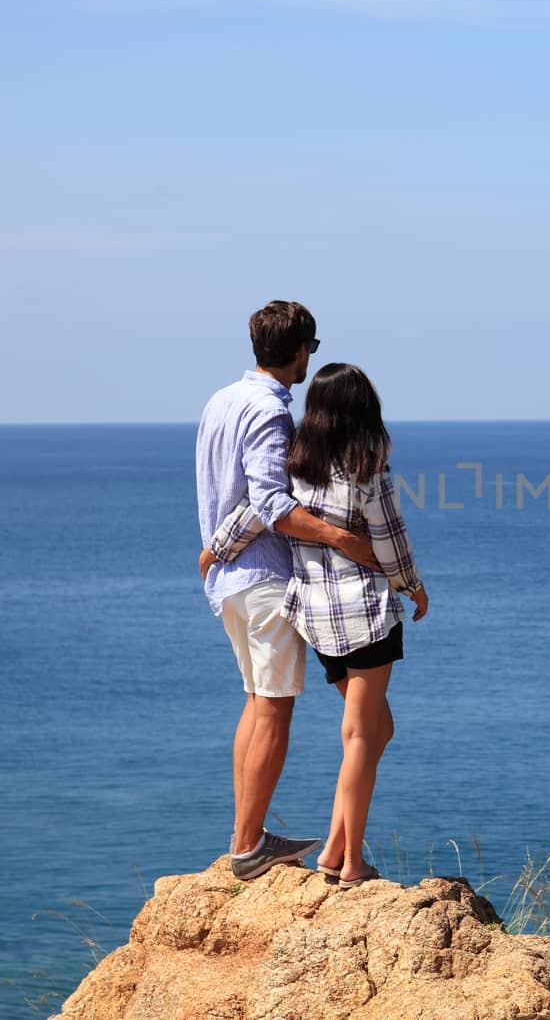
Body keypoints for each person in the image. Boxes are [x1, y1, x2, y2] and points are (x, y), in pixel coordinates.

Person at [201, 362, 429, 888]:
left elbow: (260, 512)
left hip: (319, 622)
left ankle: (332, 848)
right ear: (361, 411)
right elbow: (390, 542)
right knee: (360, 735)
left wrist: (217, 549)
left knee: (377, 730)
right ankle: (350, 863)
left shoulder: (296, 469)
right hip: (366, 618)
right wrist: (414, 587)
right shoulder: (368, 469)